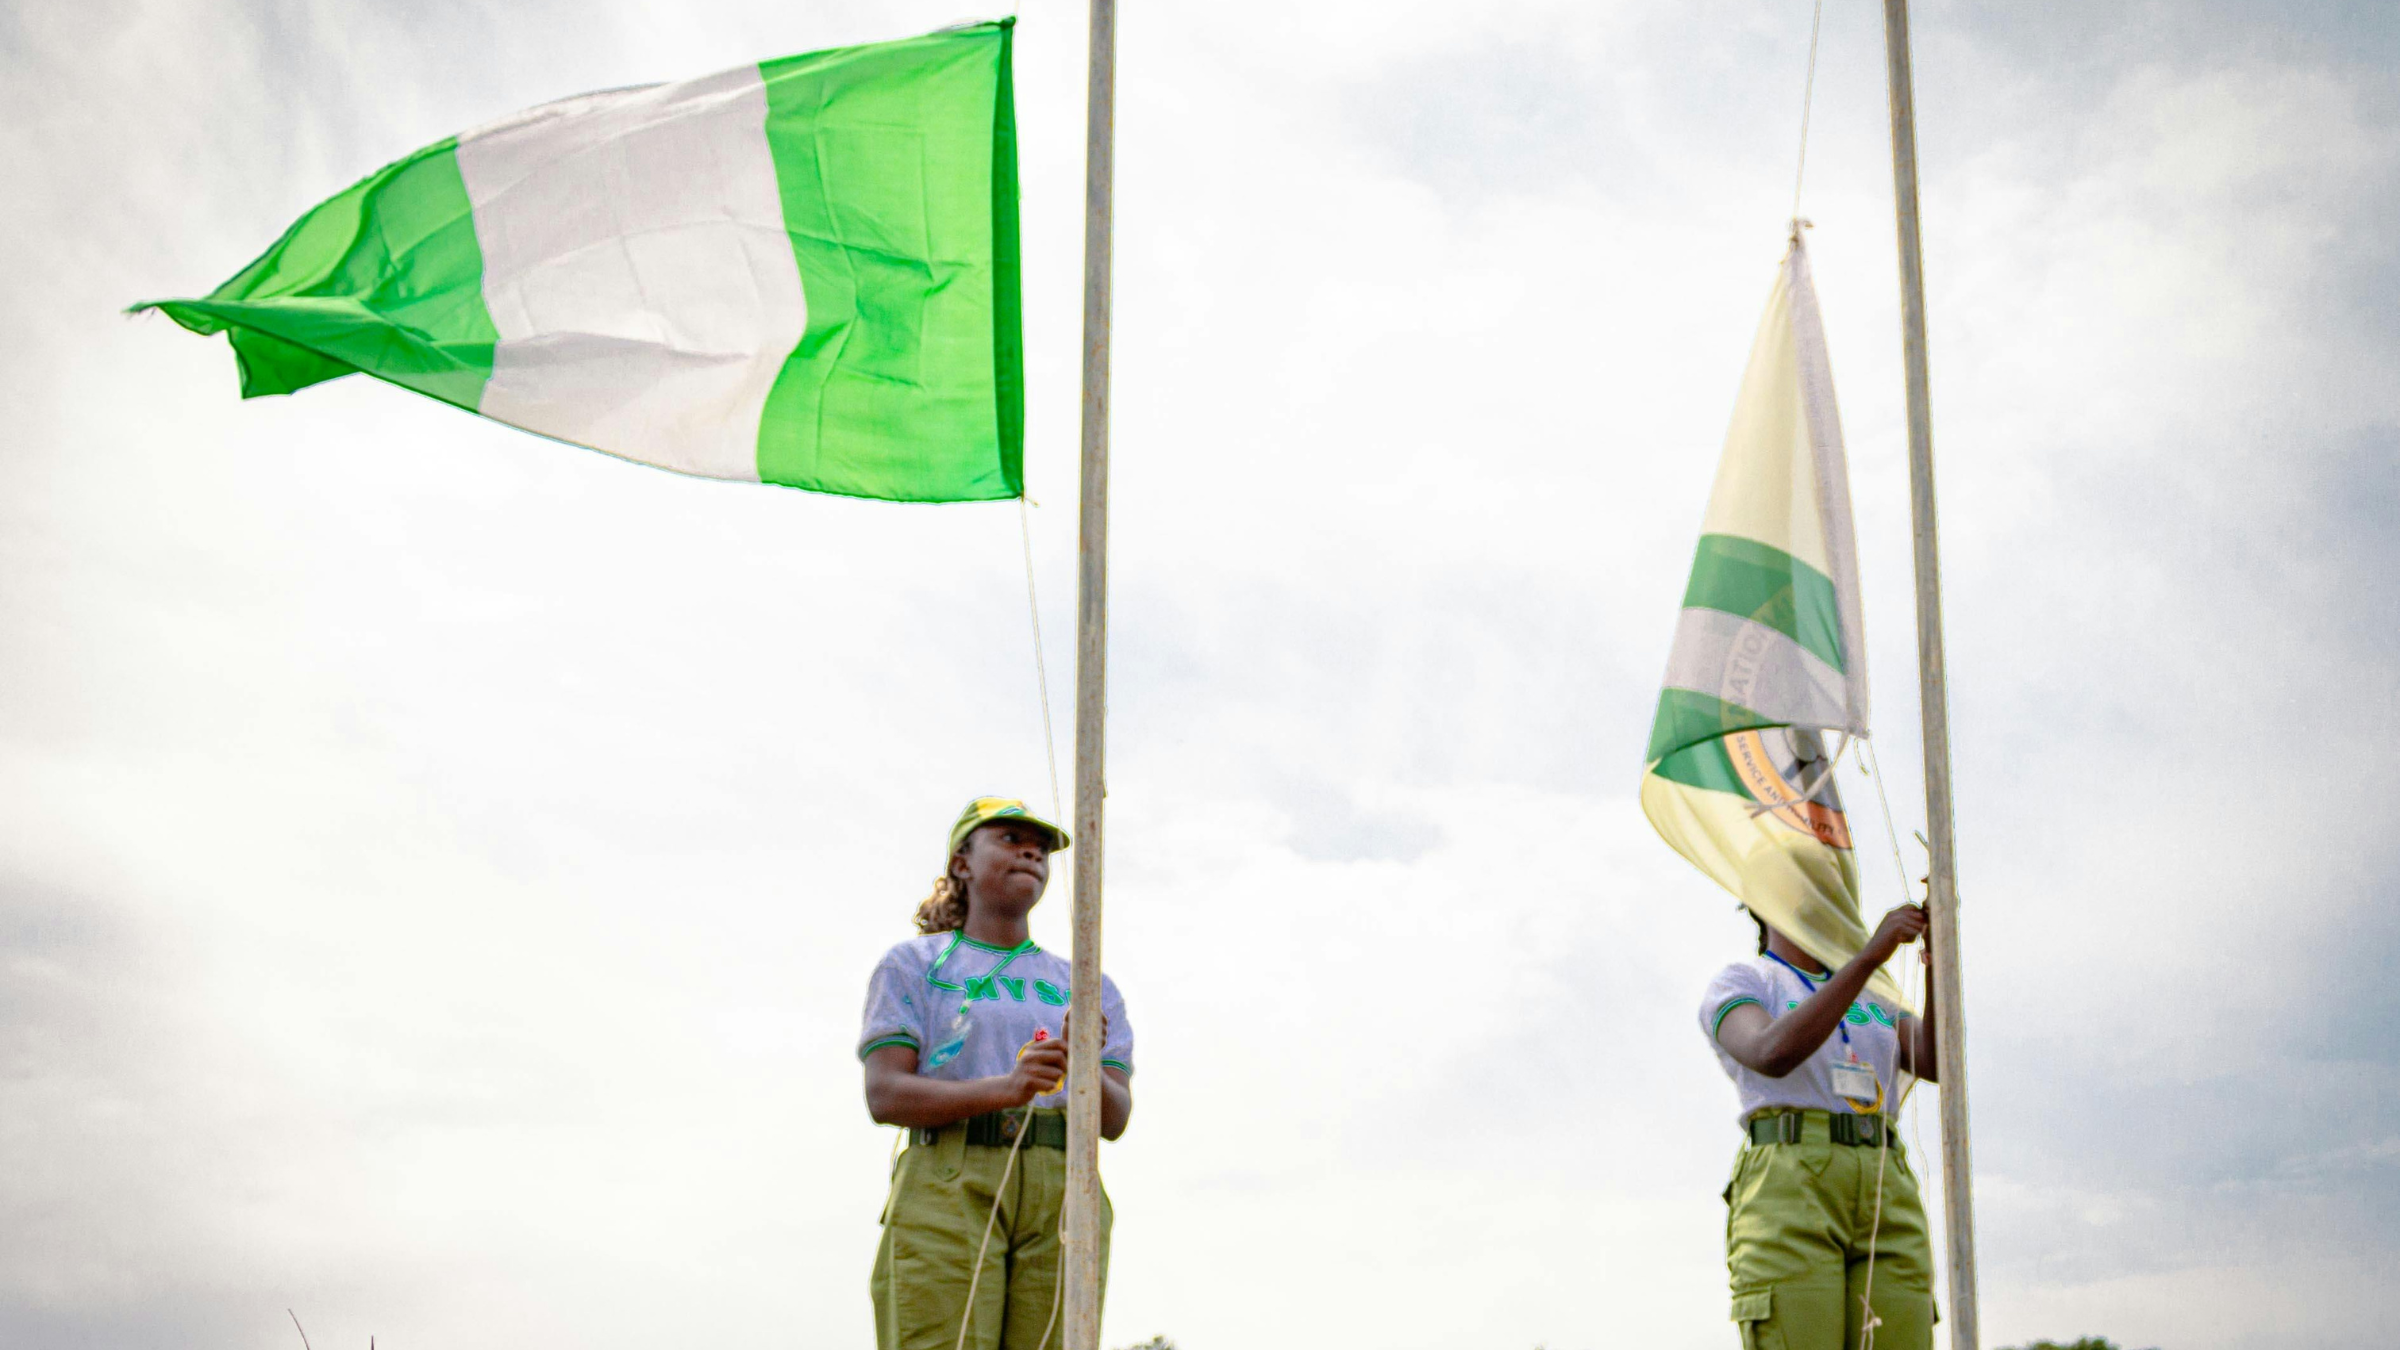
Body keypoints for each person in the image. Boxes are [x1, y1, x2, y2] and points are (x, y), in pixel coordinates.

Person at [858, 797, 1134, 1350]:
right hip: (951, 1175)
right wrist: (1007, 1089)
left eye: (1041, 848)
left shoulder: (1086, 981)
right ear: (962, 863)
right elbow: (885, 1094)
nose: (1030, 851)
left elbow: (1114, 1118)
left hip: (1065, 1179)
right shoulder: (915, 964)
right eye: (1008, 839)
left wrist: (1083, 1064)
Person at [1701, 901, 1939, 1350]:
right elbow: (1770, 1052)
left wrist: (1937, 963)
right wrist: (1868, 957)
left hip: (1885, 1174)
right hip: (1790, 1179)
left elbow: (1935, 1060)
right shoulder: (1744, 980)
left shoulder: (1877, 993)